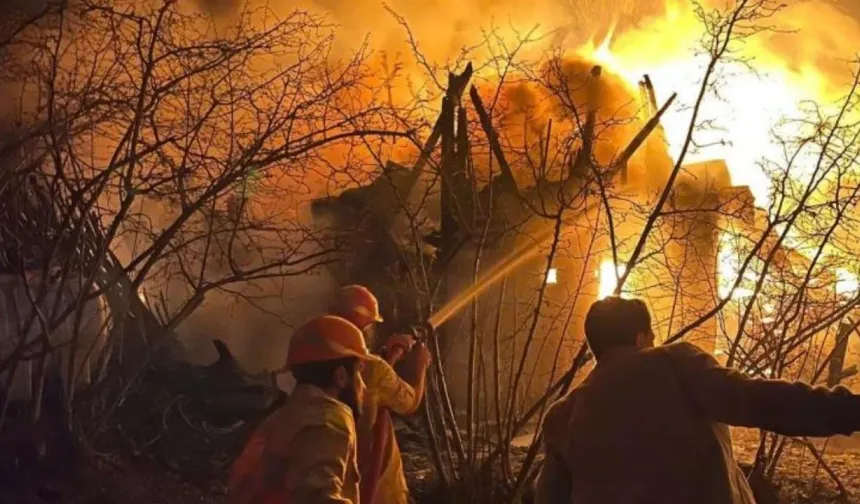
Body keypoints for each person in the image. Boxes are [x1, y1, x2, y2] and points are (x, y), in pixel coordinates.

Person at [536, 296, 860, 504]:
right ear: (640, 338)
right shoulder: (674, 363)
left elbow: (549, 497)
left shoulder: (563, 415)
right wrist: (848, 410)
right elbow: (760, 400)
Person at [228, 315, 371, 504]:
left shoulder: (285, 416)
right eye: (359, 370)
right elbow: (317, 499)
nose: (364, 386)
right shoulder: (328, 417)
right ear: (341, 376)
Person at [332, 285, 432, 504]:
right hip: (379, 490)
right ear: (364, 325)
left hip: (342, 486)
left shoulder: (325, 366)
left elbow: (371, 387)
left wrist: (390, 354)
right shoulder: (374, 368)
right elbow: (411, 402)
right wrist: (420, 365)